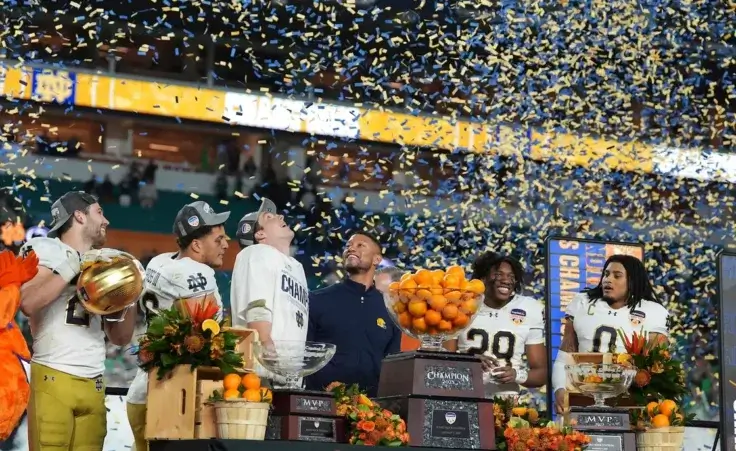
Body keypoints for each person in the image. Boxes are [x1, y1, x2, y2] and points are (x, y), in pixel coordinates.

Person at [19, 191, 140, 451]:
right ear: (79, 215)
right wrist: (73, 264)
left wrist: (131, 293)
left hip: (94, 379)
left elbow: (120, 338)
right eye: (99, 212)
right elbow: (28, 302)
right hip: (54, 374)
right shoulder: (46, 248)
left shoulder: (104, 262)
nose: (106, 220)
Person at [126, 201, 230, 451]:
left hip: (143, 389)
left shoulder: (160, 261)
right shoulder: (196, 273)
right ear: (196, 244)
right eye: (219, 240)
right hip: (173, 398)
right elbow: (203, 337)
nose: (226, 245)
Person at [552, 254, 669, 413]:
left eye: (617, 276)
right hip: (583, 395)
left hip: (629, 399)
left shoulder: (653, 311)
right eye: (606, 274)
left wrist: (634, 376)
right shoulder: (582, 302)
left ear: (632, 280)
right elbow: (565, 355)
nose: (608, 280)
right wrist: (559, 388)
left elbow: (657, 366)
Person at [305, 232, 401, 397]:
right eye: (348, 246)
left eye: (360, 245)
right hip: (322, 403)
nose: (351, 249)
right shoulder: (317, 299)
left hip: (371, 409)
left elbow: (392, 363)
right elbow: (305, 353)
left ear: (377, 259)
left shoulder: (390, 308)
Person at [230, 198, 308, 385]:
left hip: (287, 375)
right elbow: (257, 305)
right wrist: (266, 346)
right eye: (269, 217)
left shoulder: (296, 266)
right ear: (260, 235)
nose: (280, 216)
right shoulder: (257, 252)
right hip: (262, 373)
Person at [447, 252, 547, 397]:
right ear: (482, 278)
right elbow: (441, 362)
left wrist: (516, 375)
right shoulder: (461, 305)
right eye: (499, 275)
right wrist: (468, 362)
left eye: (511, 277)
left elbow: (541, 373)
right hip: (462, 395)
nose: (506, 280)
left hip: (506, 401)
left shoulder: (529, 308)